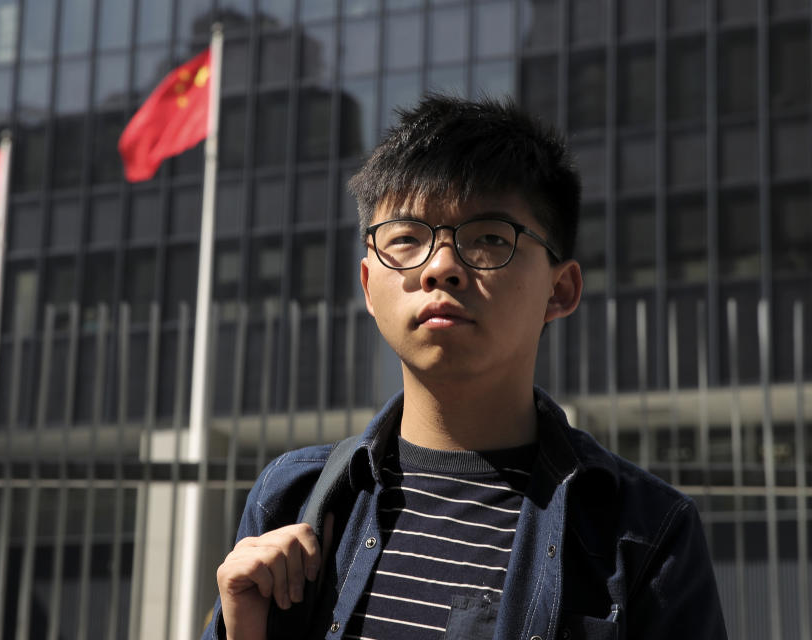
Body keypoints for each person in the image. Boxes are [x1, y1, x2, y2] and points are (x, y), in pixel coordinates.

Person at [202, 94, 727, 640]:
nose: (441, 267)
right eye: (405, 239)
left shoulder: (641, 531)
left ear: (560, 288)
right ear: (368, 287)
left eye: (490, 239)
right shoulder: (296, 497)